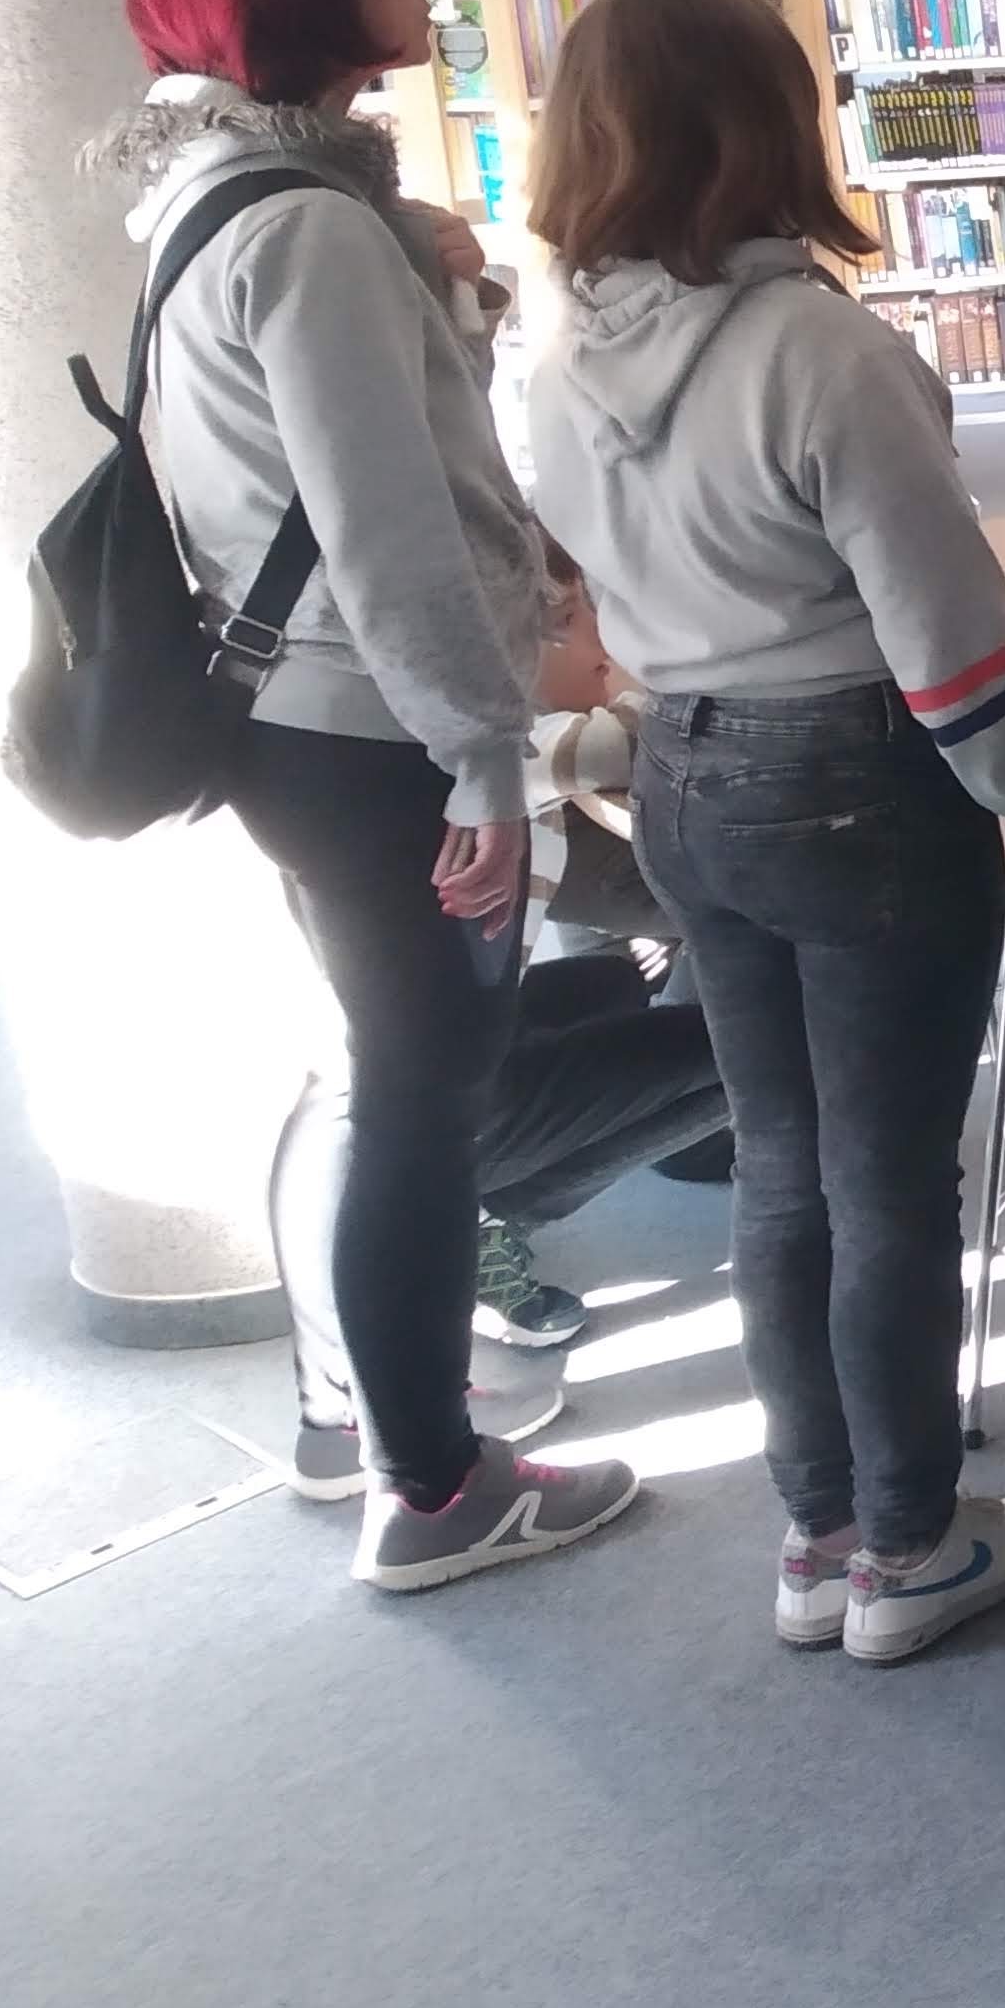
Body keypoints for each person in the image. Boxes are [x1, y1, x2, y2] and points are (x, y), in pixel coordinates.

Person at [526, 0, 1005, 1666]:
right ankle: (912, 1544)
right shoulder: (825, 354)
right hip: (856, 784)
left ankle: (819, 1534)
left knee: (781, 1167)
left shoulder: (558, 364)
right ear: (764, 130)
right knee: (887, 1185)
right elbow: (950, 648)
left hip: (681, 773)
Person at [94, 0, 641, 1593]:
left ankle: (365, 1425)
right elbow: (386, 523)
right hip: (376, 733)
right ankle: (433, 1485)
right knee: (424, 1105)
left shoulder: (227, 195)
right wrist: (483, 760)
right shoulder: (314, 234)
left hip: (303, 722)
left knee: (383, 1079)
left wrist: (439, 287)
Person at [273, 546, 732, 1497]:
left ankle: (353, 1382)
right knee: (769, 1039)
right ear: (542, 625)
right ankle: (406, 1369)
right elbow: (634, 733)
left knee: (608, 985)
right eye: (603, 619)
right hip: (433, 1104)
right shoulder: (488, 753)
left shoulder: (415, 733)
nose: (616, 651)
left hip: (381, 1079)